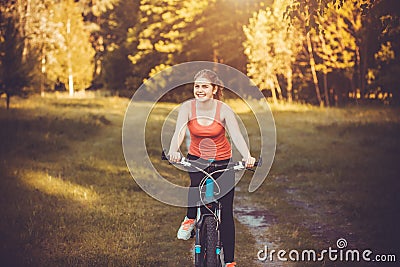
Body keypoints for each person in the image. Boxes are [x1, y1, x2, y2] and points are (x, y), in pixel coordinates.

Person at [168, 69, 255, 267]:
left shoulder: (223, 109)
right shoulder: (187, 108)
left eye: (204, 86)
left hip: (223, 162)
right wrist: (174, 150)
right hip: (197, 159)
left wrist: (247, 156)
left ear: (214, 89)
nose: (200, 90)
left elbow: (236, 135)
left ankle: (230, 262)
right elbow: (180, 132)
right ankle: (190, 219)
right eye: (197, 86)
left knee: (226, 213)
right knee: (195, 186)